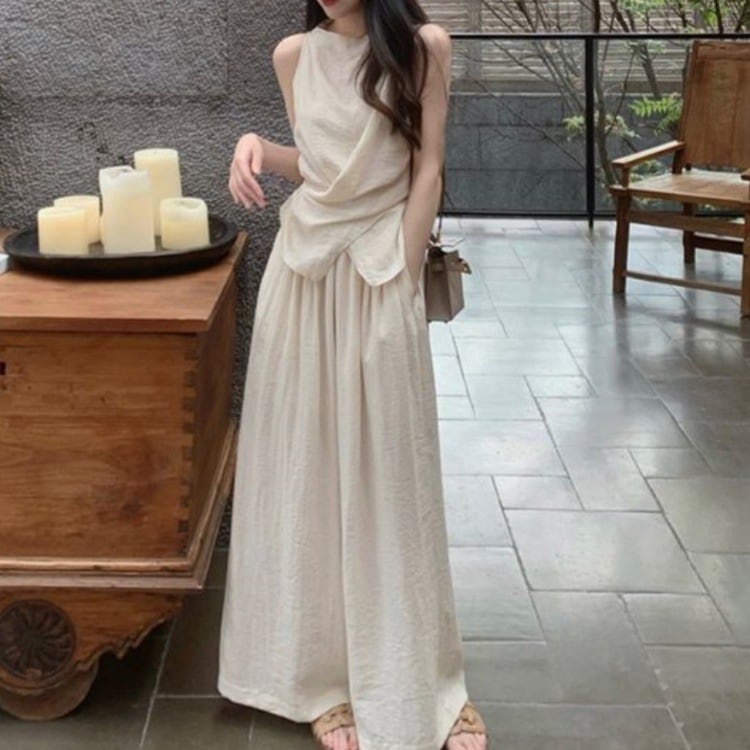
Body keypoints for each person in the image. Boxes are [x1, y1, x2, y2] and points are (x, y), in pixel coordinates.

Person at [218, 2, 488, 749]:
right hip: (303, 275)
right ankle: (319, 681)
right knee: (304, 475)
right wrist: (256, 147)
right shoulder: (292, 55)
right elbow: (318, 166)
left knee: (394, 478)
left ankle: (432, 678)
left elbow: (427, 166)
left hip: (379, 271)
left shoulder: (423, 47)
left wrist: (402, 272)